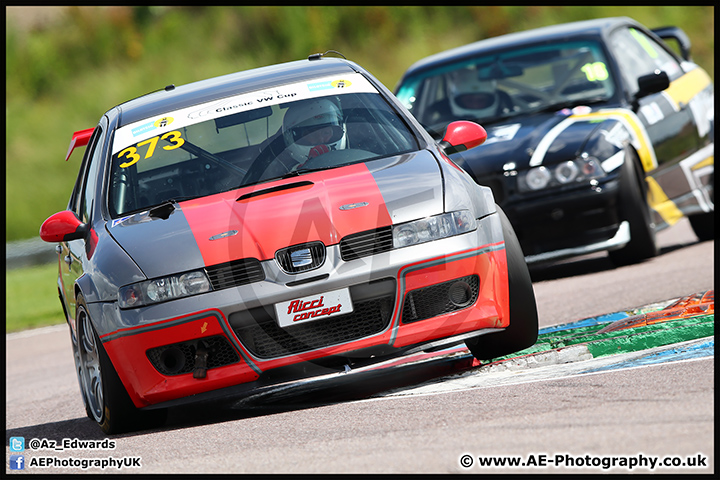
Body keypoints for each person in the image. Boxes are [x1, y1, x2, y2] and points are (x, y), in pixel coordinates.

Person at [281, 98, 347, 165]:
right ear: (290, 137)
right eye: (312, 134)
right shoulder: (282, 172)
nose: (321, 140)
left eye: (326, 133)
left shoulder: (354, 158)